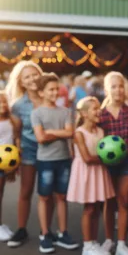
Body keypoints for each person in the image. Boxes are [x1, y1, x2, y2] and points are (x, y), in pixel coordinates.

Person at [31, 73, 79, 253]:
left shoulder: (65, 111)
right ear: (41, 92)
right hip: (45, 161)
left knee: (61, 197)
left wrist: (51, 131)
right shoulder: (36, 113)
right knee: (44, 197)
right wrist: (57, 132)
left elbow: (70, 133)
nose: (54, 92)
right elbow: (40, 138)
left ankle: (63, 232)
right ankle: (45, 234)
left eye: (56, 88)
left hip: (64, 159)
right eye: (50, 89)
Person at [5, 61, 47, 248]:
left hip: (51, 152)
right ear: (21, 82)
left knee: (49, 194)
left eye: (34, 74)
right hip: (29, 151)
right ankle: (21, 229)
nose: (32, 79)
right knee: (26, 191)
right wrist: (14, 160)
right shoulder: (18, 106)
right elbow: (15, 133)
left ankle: (47, 232)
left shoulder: (49, 97)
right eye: (27, 77)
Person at [67, 96, 115, 255]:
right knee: (89, 208)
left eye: (99, 108)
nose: (99, 111)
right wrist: (106, 158)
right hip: (86, 172)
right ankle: (87, 245)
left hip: (98, 172)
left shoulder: (100, 130)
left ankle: (93, 242)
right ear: (85, 114)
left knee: (96, 207)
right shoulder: (79, 133)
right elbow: (87, 158)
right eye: (95, 109)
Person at [99, 72, 128, 255]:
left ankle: (122, 243)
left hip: (127, 161)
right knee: (109, 202)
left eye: (121, 86)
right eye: (114, 86)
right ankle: (109, 240)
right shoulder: (101, 115)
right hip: (107, 164)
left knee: (124, 200)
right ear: (107, 89)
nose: (118, 90)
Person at [0, 91, 19, 242]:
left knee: (1, 194)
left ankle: (1, 224)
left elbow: (15, 140)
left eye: (4, 102)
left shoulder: (11, 121)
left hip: (7, 162)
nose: (3, 105)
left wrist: (14, 165)